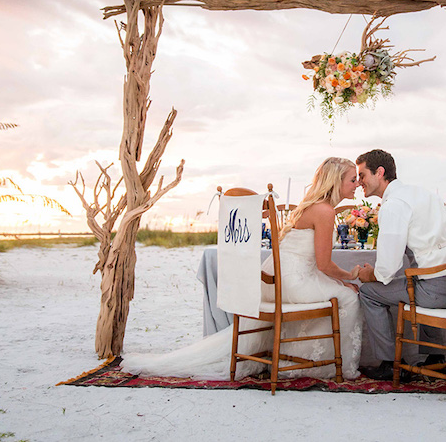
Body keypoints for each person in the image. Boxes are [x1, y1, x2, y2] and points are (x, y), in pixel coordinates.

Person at [121, 157, 364, 380]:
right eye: (352, 180)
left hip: (272, 281)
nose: (357, 185)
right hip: (293, 282)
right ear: (336, 181)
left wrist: (339, 281)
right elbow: (324, 265)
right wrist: (349, 276)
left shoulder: (310, 206)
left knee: (339, 291)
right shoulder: (325, 211)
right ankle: (326, 365)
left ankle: (300, 358)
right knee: (350, 298)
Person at [355, 149, 446, 381]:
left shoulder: (394, 204)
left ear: (380, 172)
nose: (359, 183)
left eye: (362, 175)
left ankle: (390, 363)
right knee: (419, 278)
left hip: (437, 291)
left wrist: (369, 275)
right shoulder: (424, 194)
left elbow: (388, 268)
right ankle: (436, 358)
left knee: (368, 293)